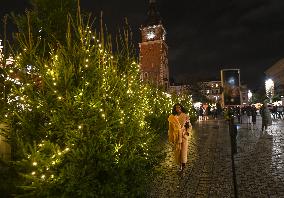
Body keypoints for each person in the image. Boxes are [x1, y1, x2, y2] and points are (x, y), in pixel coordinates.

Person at [168, 103, 192, 171]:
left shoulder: (185, 116)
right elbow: (170, 129)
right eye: (176, 107)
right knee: (178, 151)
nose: (178, 109)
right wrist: (171, 137)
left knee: (183, 151)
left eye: (179, 107)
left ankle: (183, 163)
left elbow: (189, 125)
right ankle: (180, 164)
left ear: (181, 108)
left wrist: (187, 132)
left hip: (183, 135)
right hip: (176, 136)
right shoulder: (171, 117)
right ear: (174, 109)